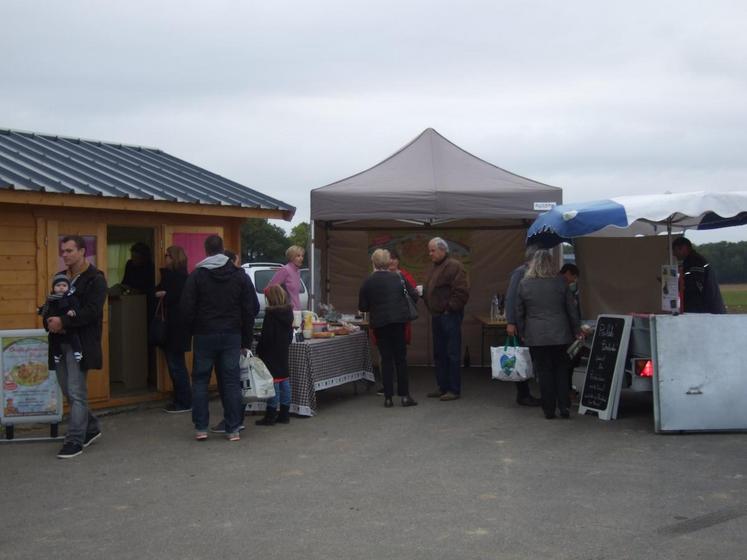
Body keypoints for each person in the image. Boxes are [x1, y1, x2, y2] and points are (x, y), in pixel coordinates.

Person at [181, 235, 257, 442]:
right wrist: (246, 340)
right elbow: (249, 309)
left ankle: (201, 428)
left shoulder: (197, 275)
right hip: (232, 334)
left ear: (206, 250)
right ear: (223, 249)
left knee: (200, 381)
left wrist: (189, 333)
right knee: (231, 382)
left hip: (204, 334)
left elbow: (186, 308)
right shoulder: (239, 276)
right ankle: (233, 429)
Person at [46, 235, 107, 459]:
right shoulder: (60, 278)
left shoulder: (95, 279)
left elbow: (92, 311)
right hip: (58, 344)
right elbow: (50, 305)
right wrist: (49, 321)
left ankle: (75, 440)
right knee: (67, 390)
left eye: (70, 250)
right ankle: (90, 427)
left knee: (76, 391)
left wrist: (64, 322)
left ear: (82, 251)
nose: (65, 255)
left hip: (80, 344)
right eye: (63, 251)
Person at [516, 250, 582, 419]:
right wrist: (576, 330)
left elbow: (520, 311)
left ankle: (549, 409)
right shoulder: (560, 282)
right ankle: (564, 406)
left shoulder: (524, 284)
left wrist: (522, 332)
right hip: (560, 333)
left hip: (536, 334)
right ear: (550, 264)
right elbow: (571, 309)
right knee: (561, 369)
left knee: (544, 371)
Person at [359, 249, 419, 407]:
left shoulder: (368, 281)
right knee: (400, 359)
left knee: (386, 359)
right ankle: (405, 396)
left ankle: (388, 398)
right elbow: (414, 296)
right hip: (399, 322)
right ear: (388, 262)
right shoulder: (399, 277)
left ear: (374, 262)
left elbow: (363, 306)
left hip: (380, 324)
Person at [422, 237, 470, 401]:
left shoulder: (454, 266)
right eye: (429, 250)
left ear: (443, 250)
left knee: (452, 352)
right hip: (437, 315)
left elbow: (462, 291)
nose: (430, 254)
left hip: (449, 316)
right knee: (439, 353)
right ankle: (442, 386)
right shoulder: (434, 267)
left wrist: (449, 308)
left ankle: (453, 389)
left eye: (433, 250)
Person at [155, 245, 192, 414]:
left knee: (176, 365)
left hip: (175, 326)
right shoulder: (182, 276)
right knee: (176, 364)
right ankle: (181, 399)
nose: (165, 258)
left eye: (167, 256)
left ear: (174, 258)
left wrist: (163, 294)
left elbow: (174, 298)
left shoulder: (178, 277)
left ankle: (183, 401)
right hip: (178, 327)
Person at [505, 246, 542, 407]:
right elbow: (511, 298)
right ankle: (523, 394)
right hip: (522, 324)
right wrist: (511, 322)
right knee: (522, 359)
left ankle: (526, 393)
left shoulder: (535, 274)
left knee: (528, 359)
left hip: (530, 324)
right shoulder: (520, 273)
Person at [255, 285, 294, 425]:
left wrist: (259, 348)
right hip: (282, 351)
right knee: (284, 381)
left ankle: (270, 415)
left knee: (274, 384)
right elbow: (290, 334)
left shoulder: (271, 315)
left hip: (271, 353)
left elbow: (267, 337)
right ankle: (284, 413)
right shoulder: (288, 313)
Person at [671, 237, 726, 314]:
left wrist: (675, 285)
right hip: (705, 310)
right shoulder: (692, 261)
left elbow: (696, 287)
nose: (673, 254)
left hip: (705, 311)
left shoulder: (695, 262)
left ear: (683, 248)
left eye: (675, 250)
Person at [39, 273, 83, 365]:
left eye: (64, 285)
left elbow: (77, 307)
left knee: (74, 337)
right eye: (58, 285)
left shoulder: (71, 298)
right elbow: (46, 311)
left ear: (68, 287)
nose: (61, 287)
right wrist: (42, 312)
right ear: (53, 288)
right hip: (55, 329)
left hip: (68, 326)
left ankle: (77, 351)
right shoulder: (51, 300)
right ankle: (57, 353)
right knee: (53, 339)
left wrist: (73, 311)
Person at [267, 245, 305, 310]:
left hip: (297, 310)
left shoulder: (298, 272)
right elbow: (269, 288)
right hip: (286, 311)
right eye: (298, 256)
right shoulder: (285, 270)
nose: (301, 258)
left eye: (302, 256)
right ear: (291, 257)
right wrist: (280, 303)